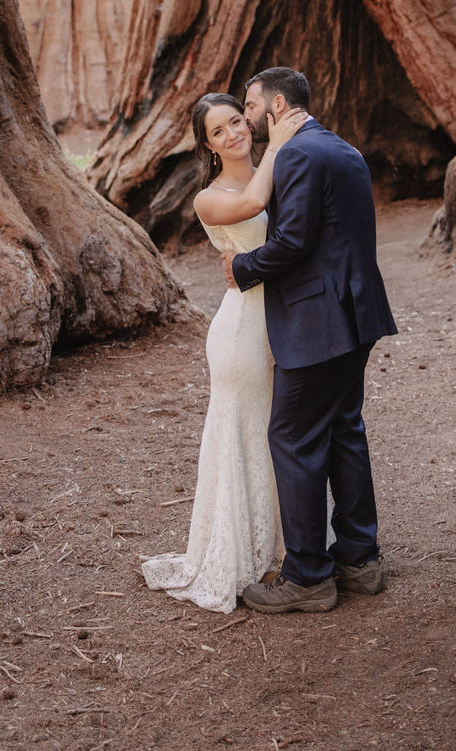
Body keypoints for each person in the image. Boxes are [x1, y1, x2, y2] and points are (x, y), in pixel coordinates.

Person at [223, 66, 397, 614]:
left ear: (275, 107)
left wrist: (242, 265)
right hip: (357, 314)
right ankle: (359, 561)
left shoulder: (296, 154)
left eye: (249, 108)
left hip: (317, 320)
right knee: (345, 430)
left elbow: (293, 239)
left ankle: (307, 576)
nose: (246, 119)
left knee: (293, 436)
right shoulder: (342, 147)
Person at [140, 91, 306, 612]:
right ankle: (241, 556)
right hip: (242, 335)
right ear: (208, 146)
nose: (234, 133)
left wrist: (277, 151)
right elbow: (256, 204)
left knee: (276, 435)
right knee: (246, 436)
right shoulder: (210, 197)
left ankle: (280, 551)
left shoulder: (274, 165)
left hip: (283, 323)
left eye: (237, 121)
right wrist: (278, 144)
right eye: (219, 131)